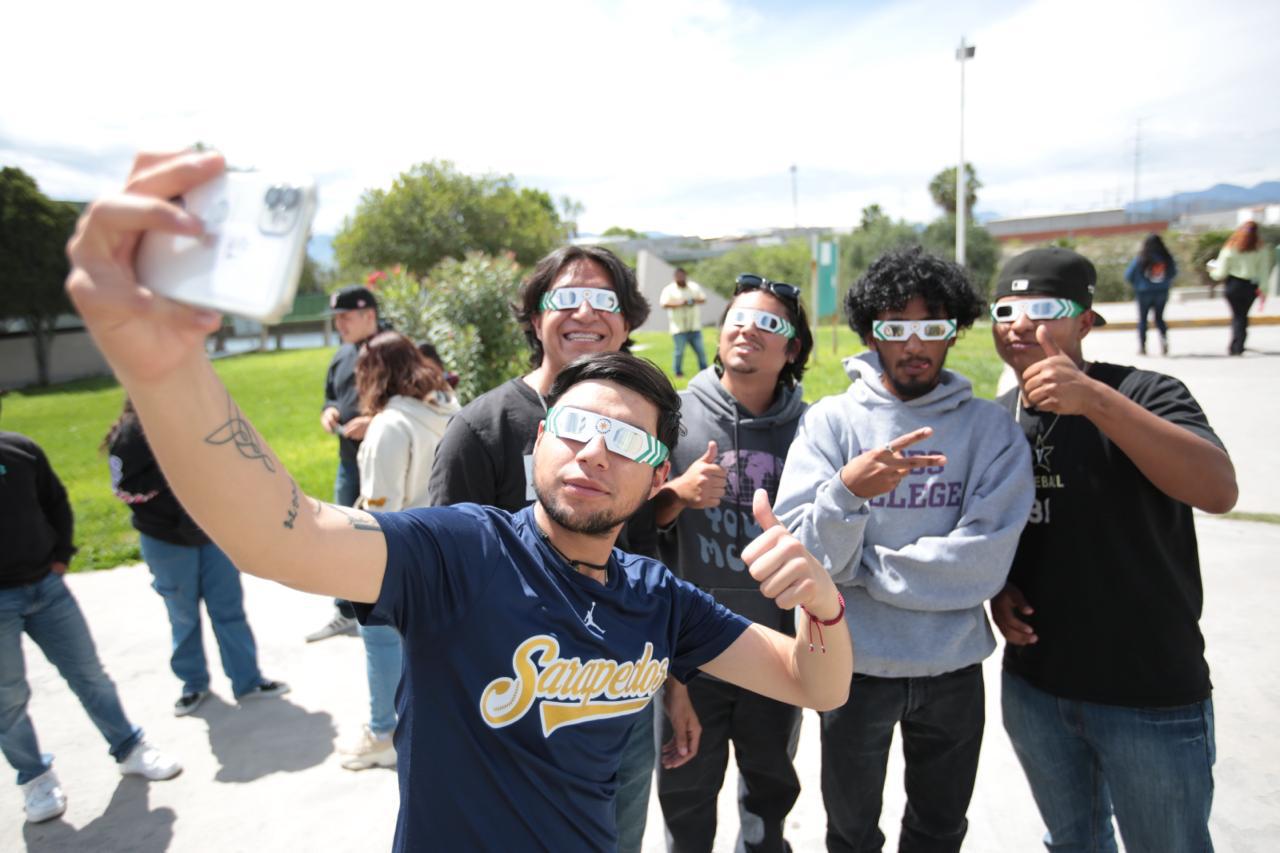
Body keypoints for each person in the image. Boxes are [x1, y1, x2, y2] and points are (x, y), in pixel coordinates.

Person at [64, 151, 852, 850]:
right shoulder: (462, 551)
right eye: (576, 426)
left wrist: (822, 606)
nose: (594, 451)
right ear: (538, 440)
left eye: (627, 441)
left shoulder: (657, 598)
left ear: (656, 480)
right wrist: (164, 368)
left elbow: (816, 685)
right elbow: (283, 534)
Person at [774, 246, 1034, 853]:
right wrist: (846, 492)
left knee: (939, 831)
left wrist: (860, 569)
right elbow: (806, 559)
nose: (914, 345)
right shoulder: (831, 424)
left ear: (955, 332)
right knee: (850, 833)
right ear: (870, 334)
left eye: (931, 328)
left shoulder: (991, 430)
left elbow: (982, 564)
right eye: (895, 328)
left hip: (953, 670)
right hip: (851, 668)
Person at [989, 246, 1238, 851]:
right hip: (1037, 690)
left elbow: (1217, 489)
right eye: (1005, 310)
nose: (1020, 324)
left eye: (1044, 309)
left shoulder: (1145, 392)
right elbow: (993, 532)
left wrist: (1095, 401)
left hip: (1148, 694)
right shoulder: (995, 421)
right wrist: (998, 587)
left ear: (1085, 321)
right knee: (1073, 842)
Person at [426, 243, 659, 851]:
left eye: (604, 299)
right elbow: (442, 583)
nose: (586, 312)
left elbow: (649, 567)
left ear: (627, 322)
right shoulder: (480, 429)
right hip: (512, 704)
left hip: (621, 696)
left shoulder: (642, 427)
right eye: (567, 298)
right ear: (536, 319)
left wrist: (675, 692)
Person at [654, 273, 814, 853]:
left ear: (792, 349)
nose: (748, 330)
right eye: (737, 319)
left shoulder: (812, 428)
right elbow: (633, 530)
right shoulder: (671, 416)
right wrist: (677, 494)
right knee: (686, 802)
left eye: (769, 323)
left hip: (776, 653)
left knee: (769, 804)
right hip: (691, 656)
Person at [1, 417, 181, 825]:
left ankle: (128, 747)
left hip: (46, 587)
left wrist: (61, 556)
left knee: (89, 674)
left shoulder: (20, 449)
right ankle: (35, 777)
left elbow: (55, 501)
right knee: (7, 696)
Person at [104, 399, 289, 716]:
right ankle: (193, 684)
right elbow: (124, 489)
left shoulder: (198, 419)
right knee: (183, 616)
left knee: (229, 611)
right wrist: (173, 468)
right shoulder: (131, 432)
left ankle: (248, 680)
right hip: (166, 541)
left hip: (213, 534)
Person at [341, 331, 459, 771]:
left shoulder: (390, 425)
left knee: (380, 641)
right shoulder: (448, 407)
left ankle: (382, 733)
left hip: (400, 556)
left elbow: (380, 513)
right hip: (447, 550)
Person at [309, 283, 381, 642]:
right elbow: (330, 396)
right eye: (336, 319)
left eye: (345, 317)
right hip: (349, 462)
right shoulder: (341, 354)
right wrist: (330, 411)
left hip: (385, 464)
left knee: (382, 535)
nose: (339, 325)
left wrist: (375, 421)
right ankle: (345, 611)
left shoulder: (395, 349)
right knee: (341, 532)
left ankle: (384, 610)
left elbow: (420, 400)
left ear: (369, 315)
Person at [1209, 220, 1272, 356]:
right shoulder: (1261, 249)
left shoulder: (1230, 247)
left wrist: (1212, 271)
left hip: (1233, 285)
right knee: (1242, 316)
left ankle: (1236, 345)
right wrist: (1264, 290)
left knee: (1238, 316)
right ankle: (1238, 344)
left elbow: (1220, 273)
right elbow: (1264, 272)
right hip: (1250, 287)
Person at [1124, 233, 1176, 355]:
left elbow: (1128, 275)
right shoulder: (1166, 258)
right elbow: (1173, 273)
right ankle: (1164, 340)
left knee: (1143, 319)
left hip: (1144, 293)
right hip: (1162, 292)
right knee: (1159, 318)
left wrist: (1138, 284)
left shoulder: (1142, 258)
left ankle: (1143, 346)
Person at [660, 268, 709, 377]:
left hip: (694, 327)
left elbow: (703, 299)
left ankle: (705, 371)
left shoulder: (694, 287)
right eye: (678, 276)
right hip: (678, 328)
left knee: (701, 351)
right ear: (674, 277)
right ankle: (678, 372)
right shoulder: (669, 289)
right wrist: (681, 302)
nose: (680, 278)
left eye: (682, 276)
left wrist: (692, 301)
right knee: (679, 353)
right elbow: (664, 304)